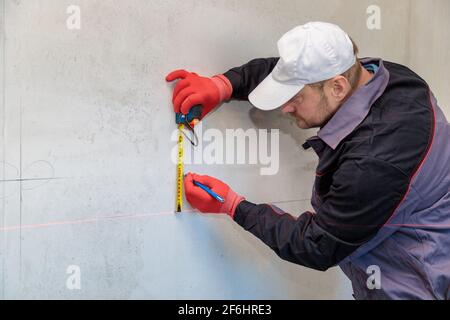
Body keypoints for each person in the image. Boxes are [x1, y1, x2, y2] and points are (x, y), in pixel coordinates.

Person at [165, 21, 450, 300]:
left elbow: (317, 244)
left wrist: (232, 205)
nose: (285, 107)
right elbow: (287, 72)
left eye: (295, 98)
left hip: (415, 287)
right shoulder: (387, 78)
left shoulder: (374, 162)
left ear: (338, 88)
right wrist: (225, 84)